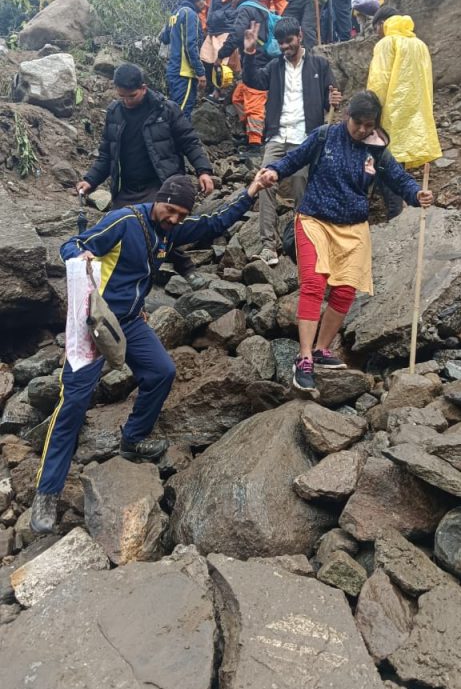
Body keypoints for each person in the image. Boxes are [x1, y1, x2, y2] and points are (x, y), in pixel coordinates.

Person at [30, 171, 267, 534]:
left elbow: (215, 223)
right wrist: (81, 254)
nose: (175, 219)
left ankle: (133, 439)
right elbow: (70, 245)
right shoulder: (124, 221)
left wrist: (251, 191)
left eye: (181, 215)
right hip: (95, 320)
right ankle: (46, 493)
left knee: (161, 372)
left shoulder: (170, 231)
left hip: (129, 321)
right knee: (74, 402)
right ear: (160, 200)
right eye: (171, 210)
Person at [259, 91, 434, 392]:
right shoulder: (325, 136)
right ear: (346, 116)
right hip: (314, 219)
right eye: (358, 123)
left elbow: (398, 179)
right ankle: (304, 358)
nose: (363, 130)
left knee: (345, 291)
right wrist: (274, 170)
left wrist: (417, 194)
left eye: (369, 125)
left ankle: (321, 349)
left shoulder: (377, 149)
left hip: (353, 228)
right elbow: (294, 159)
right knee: (314, 284)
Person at [243, 16, 341, 265]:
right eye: (281, 43)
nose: (285, 47)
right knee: (264, 182)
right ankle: (268, 245)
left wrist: (334, 100)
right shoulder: (275, 67)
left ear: (300, 36)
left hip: (306, 137)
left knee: (301, 185)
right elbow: (252, 81)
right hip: (277, 135)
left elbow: (331, 97)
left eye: (289, 41)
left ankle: (302, 244)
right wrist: (250, 53)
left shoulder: (319, 65)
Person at [76, 64, 214, 208]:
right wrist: (90, 180)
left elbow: (190, 142)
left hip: (161, 186)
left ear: (143, 88)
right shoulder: (114, 113)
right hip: (126, 190)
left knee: (153, 217)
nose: (127, 101)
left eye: (132, 96)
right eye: (122, 96)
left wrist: (203, 171)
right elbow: (106, 155)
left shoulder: (166, 110)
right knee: (120, 220)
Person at [367, 12, 442, 217]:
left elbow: (378, 82)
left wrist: (371, 114)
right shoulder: (419, 45)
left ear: (383, 23)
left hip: (390, 118)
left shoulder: (386, 44)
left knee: (386, 167)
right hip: (416, 119)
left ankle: (397, 215)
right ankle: (405, 211)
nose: (376, 33)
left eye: (375, 27)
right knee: (400, 168)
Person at [216, 0, 272, 154]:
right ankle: (250, 133)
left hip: (257, 60)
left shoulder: (245, 9)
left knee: (254, 98)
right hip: (260, 59)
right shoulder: (260, 7)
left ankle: (255, 143)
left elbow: (237, 34)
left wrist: (221, 54)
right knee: (238, 97)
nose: (231, 4)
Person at [161, 0, 208, 118]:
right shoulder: (190, 14)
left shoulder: (175, 13)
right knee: (181, 115)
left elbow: (164, 38)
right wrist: (200, 72)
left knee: (174, 111)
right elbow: (190, 46)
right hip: (184, 72)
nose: (205, 3)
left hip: (172, 70)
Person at [199, 0, 240, 82]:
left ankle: (226, 87)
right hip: (215, 29)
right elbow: (213, 6)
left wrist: (220, 16)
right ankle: (215, 87)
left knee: (226, 63)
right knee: (208, 58)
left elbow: (240, 5)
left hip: (227, 28)